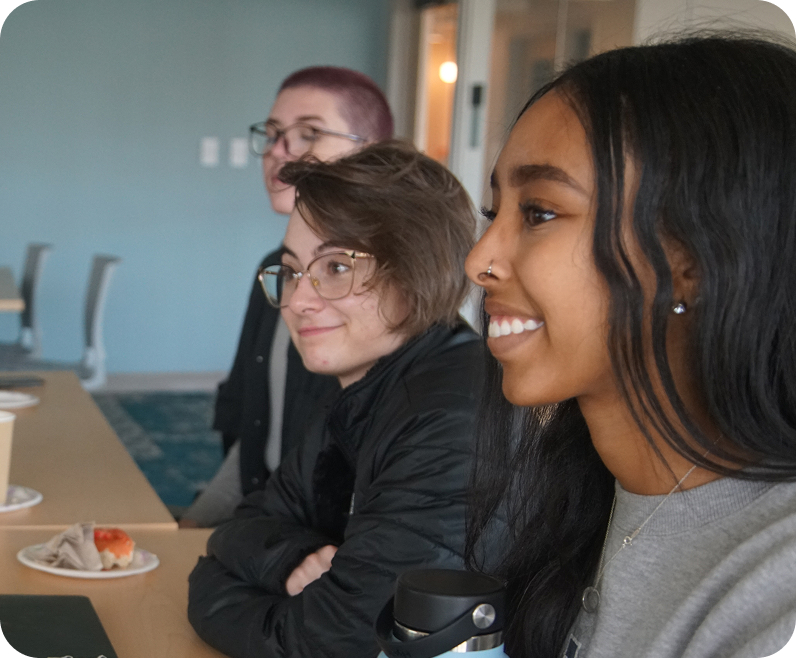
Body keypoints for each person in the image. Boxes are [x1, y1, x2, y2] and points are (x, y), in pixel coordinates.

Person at [464, 34, 796, 658]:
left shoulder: (777, 586)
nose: (478, 261)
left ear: (692, 260)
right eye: (492, 212)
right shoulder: (580, 489)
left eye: (538, 212)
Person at [187, 141, 483, 658]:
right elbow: (239, 528)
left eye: (337, 268)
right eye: (293, 270)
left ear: (417, 272)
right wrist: (289, 559)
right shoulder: (361, 387)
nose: (299, 300)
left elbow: (335, 642)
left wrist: (238, 585)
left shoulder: (450, 420)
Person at [180, 67, 393, 527]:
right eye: (274, 134)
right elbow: (254, 435)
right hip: (263, 519)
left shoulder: (380, 295)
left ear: (369, 155)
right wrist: (191, 530)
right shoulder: (273, 268)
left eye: (308, 133)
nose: (279, 151)